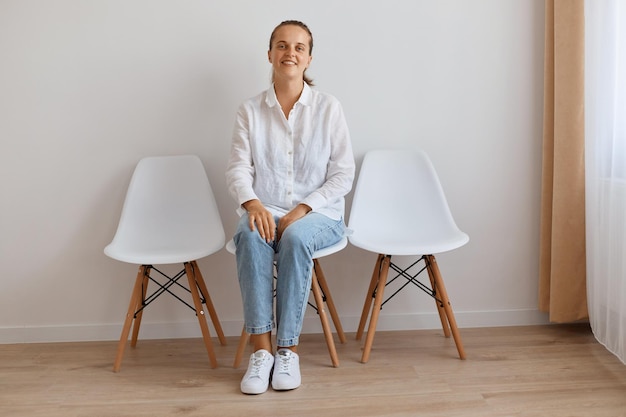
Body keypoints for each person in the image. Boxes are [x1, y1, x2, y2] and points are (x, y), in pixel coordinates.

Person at [226, 20, 355, 395]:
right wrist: (252, 203)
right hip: (263, 208)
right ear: (270, 54)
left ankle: (288, 351)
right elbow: (237, 167)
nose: (290, 53)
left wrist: (302, 208)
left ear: (309, 58)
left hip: (320, 215)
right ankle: (261, 352)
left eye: (299, 47)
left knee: (296, 238)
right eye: (282, 46)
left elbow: (343, 174)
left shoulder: (328, 108)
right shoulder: (249, 110)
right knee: (250, 236)